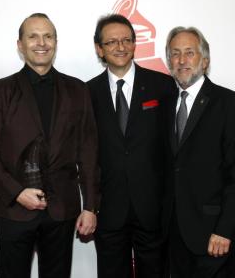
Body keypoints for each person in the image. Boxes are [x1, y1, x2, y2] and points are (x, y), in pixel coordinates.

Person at [0, 13, 99, 278]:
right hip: (13, 211)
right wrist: (17, 192)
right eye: (33, 36)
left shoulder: (77, 90)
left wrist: (89, 206)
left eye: (48, 36)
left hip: (61, 211)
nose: (41, 42)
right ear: (20, 44)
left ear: (55, 41)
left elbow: (88, 153)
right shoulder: (2, 90)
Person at [87, 14, 175, 278]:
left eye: (126, 40)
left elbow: (173, 147)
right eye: (112, 41)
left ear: (135, 44)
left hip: (153, 210)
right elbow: (85, 153)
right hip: (109, 210)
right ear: (99, 49)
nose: (120, 46)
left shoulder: (162, 86)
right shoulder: (86, 93)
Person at [162, 26, 235, 278]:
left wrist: (225, 229)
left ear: (205, 59)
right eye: (175, 53)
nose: (181, 60)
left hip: (214, 235)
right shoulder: (164, 102)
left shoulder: (229, 103)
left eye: (189, 52)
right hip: (173, 235)